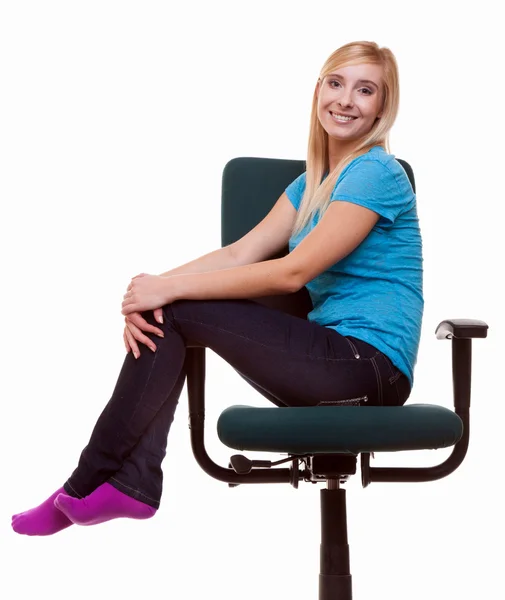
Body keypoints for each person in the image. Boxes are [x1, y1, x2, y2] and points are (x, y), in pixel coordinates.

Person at [12, 40, 423, 536]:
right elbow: (238, 253)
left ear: (383, 106)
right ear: (318, 90)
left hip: (368, 369)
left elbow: (291, 271)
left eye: (365, 90)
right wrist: (154, 288)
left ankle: (87, 485)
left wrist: (168, 293)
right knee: (172, 307)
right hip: (333, 366)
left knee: (180, 308)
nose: (346, 100)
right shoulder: (313, 184)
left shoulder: (377, 172)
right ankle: (129, 482)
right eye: (336, 83)